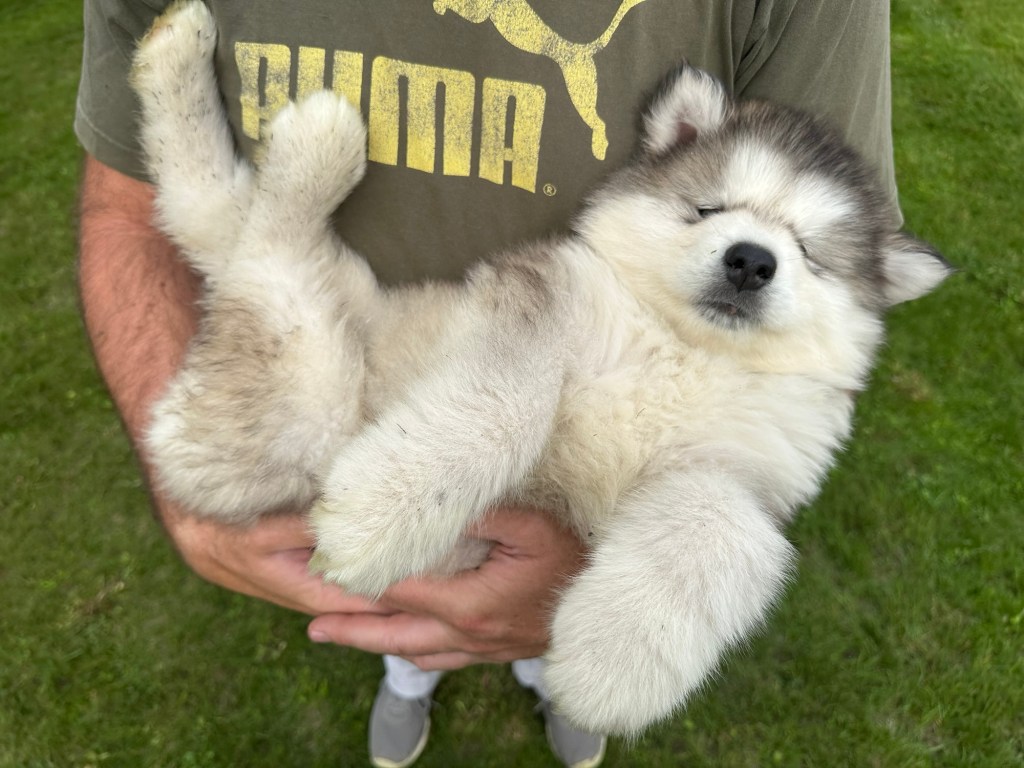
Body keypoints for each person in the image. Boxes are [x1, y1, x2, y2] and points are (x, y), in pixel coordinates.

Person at [75, 1, 899, 765]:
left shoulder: (776, 399)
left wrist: (692, 569)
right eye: (709, 212)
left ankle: (553, 677)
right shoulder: (601, 284)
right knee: (386, 576)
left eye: (808, 252)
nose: (754, 255)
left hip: (395, 411)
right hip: (361, 395)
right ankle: (410, 679)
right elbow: (121, 212)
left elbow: (731, 494)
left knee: (674, 550)